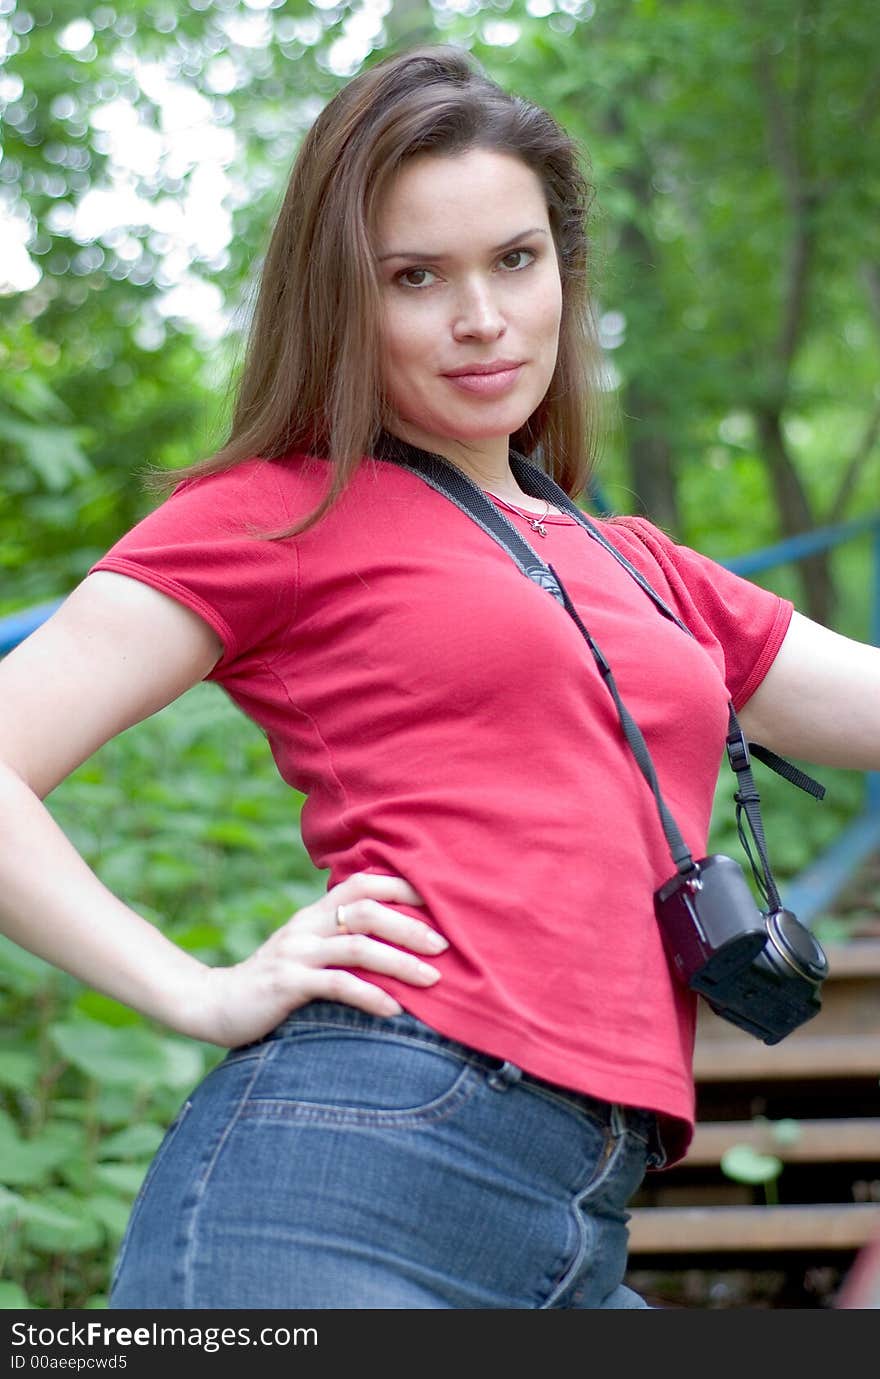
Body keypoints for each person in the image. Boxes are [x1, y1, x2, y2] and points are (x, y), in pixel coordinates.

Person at [1, 43, 879, 1313]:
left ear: (561, 273)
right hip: (348, 1173)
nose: (481, 318)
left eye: (514, 261)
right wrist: (191, 988)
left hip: (583, 1221)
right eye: (416, 277)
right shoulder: (273, 514)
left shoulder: (645, 568)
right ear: (343, 300)